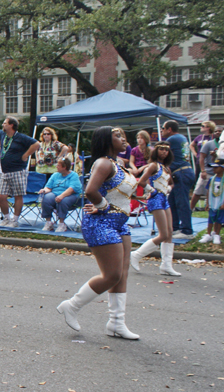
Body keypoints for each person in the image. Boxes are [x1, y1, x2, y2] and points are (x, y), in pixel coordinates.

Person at [56, 126, 139, 340]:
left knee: (122, 273)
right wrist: (103, 206)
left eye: (123, 135)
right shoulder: (103, 163)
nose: (123, 139)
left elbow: (121, 192)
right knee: (112, 275)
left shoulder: (118, 164)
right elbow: (90, 190)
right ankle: (72, 306)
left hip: (120, 223)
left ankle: (116, 323)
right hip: (102, 223)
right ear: (106, 140)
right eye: (117, 136)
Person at [0, 117, 40, 227]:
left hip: (18, 171)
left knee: (18, 196)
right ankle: (6, 218)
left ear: (11, 125)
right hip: (5, 172)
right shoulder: (3, 135)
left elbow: (36, 144)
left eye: (5, 123)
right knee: (1, 196)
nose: (2, 124)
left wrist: (26, 155)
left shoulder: (20, 137)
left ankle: (15, 220)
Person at [129, 141, 181, 276]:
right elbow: (141, 181)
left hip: (164, 199)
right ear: (156, 150)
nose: (164, 152)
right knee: (163, 234)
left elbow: (171, 183)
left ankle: (166, 265)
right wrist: (152, 191)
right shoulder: (153, 166)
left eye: (167, 150)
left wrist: (168, 189)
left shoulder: (166, 168)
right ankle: (136, 254)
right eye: (161, 149)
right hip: (156, 199)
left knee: (169, 232)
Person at [162, 120, 195, 239]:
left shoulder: (171, 139)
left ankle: (187, 231)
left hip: (181, 172)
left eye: (163, 128)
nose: (161, 130)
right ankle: (175, 227)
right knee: (172, 201)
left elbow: (162, 153)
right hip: (184, 171)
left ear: (169, 129)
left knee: (182, 202)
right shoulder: (182, 137)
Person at [39, 158, 82, 232]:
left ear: (64, 167)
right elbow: (48, 187)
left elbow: (72, 189)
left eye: (58, 165)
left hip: (71, 195)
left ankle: (61, 224)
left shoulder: (74, 175)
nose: (56, 166)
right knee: (46, 198)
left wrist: (61, 196)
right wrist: (44, 190)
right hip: (55, 193)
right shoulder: (55, 175)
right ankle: (48, 222)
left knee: (63, 200)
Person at [190, 123, 219, 211]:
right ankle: (190, 209)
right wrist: (196, 154)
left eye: (203, 126)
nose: (218, 133)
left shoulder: (218, 141)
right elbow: (193, 147)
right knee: (198, 190)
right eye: (216, 131)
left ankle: (210, 208)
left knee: (214, 192)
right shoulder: (201, 138)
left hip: (218, 171)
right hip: (206, 168)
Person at [199, 159, 224, 245]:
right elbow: (208, 191)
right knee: (211, 218)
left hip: (221, 202)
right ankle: (208, 234)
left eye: (216, 167)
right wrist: (207, 202)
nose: (214, 169)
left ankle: (216, 234)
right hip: (212, 202)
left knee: (219, 218)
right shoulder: (211, 179)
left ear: (222, 168)